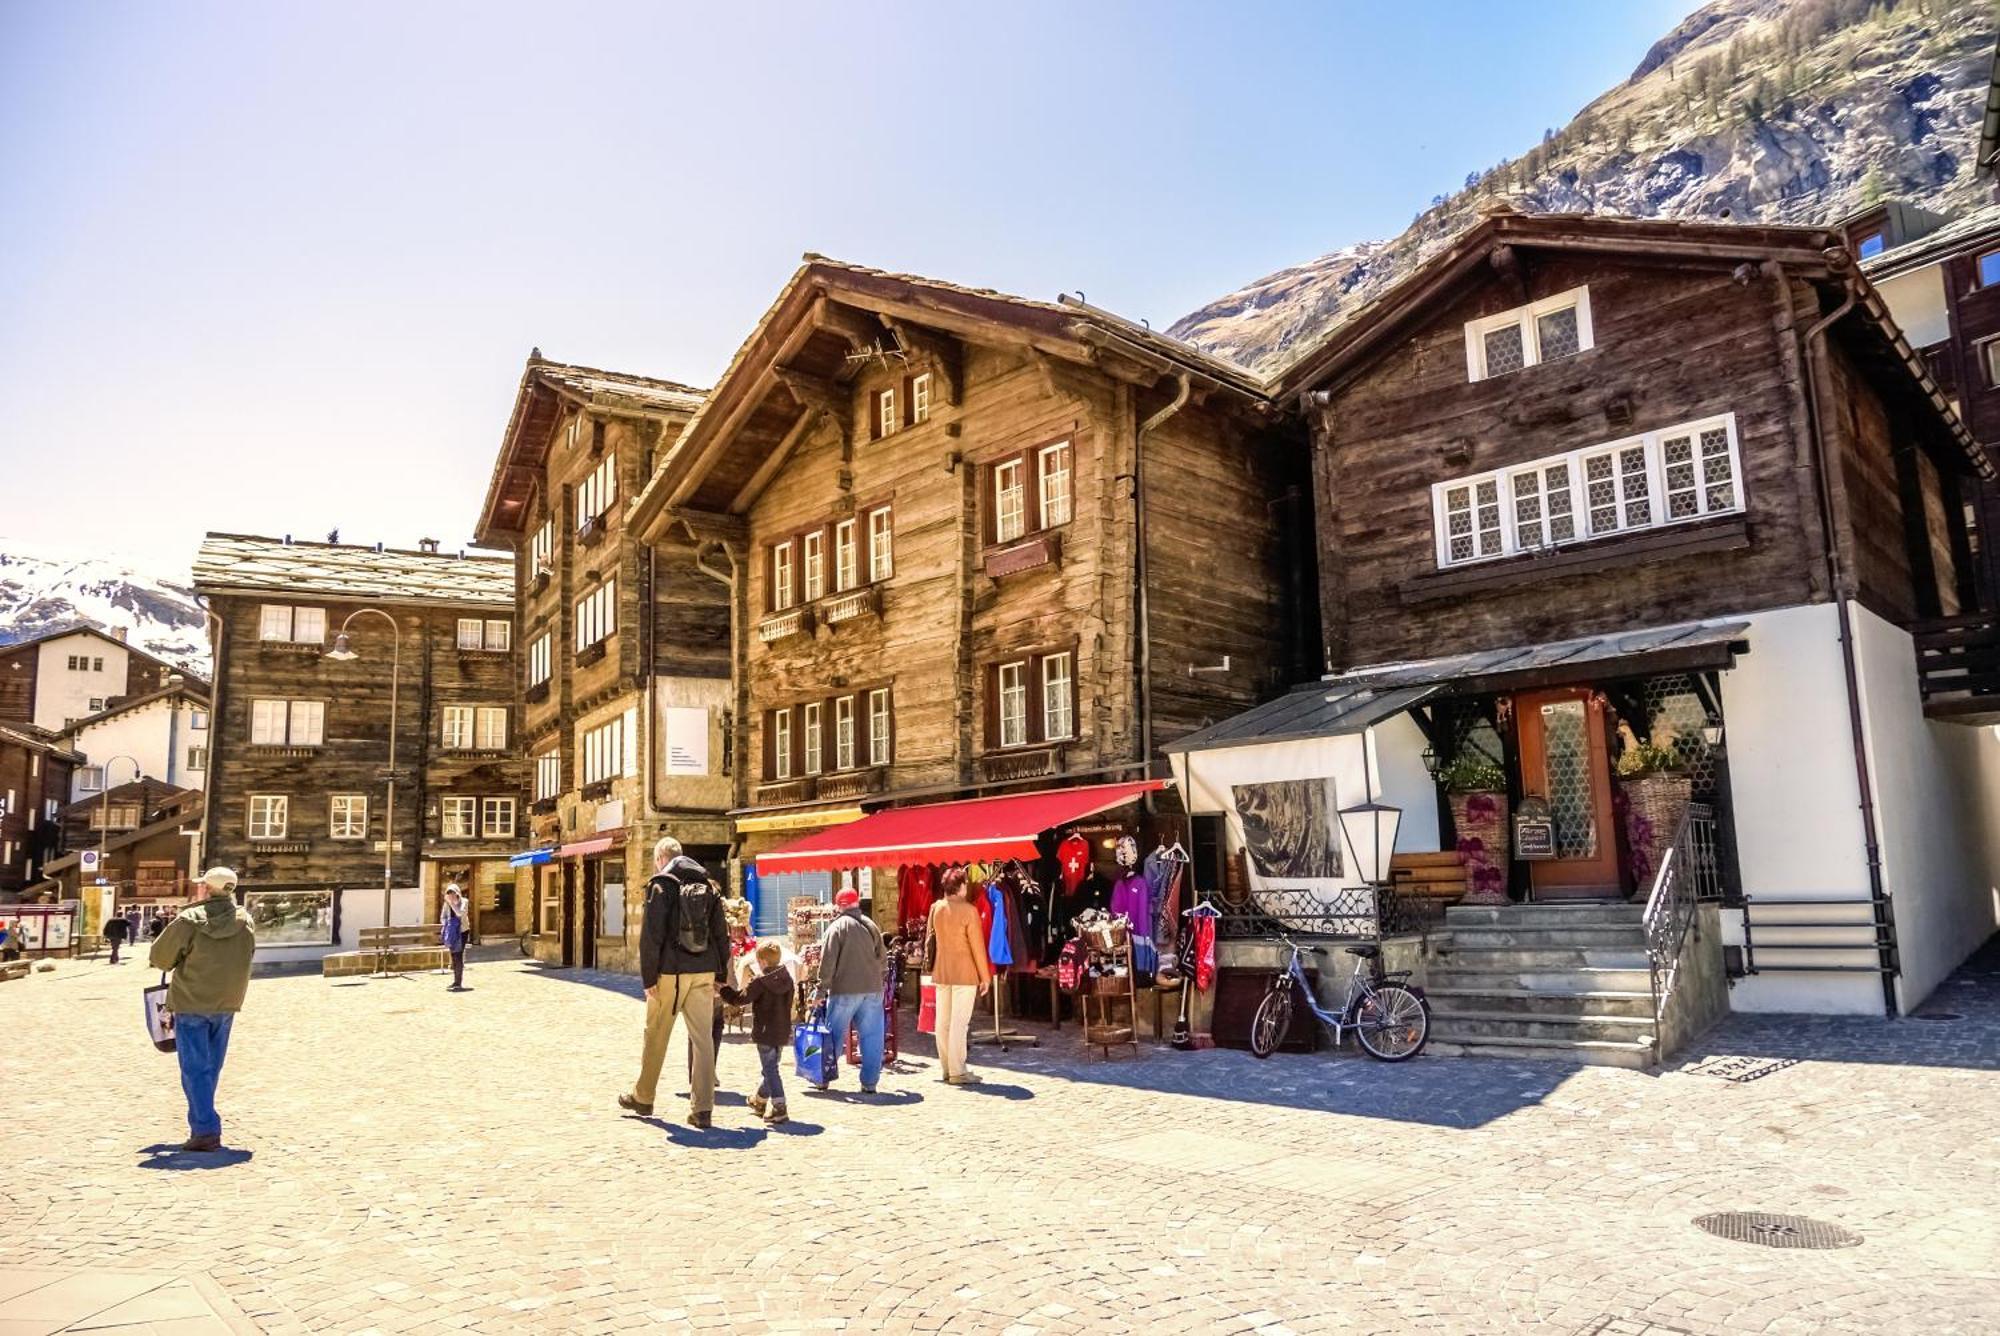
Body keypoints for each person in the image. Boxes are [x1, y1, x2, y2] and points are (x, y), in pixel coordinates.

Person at [619, 837, 728, 1129]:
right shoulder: (708, 886)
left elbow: (651, 937)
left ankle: (643, 1097)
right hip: (704, 972)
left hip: (670, 973)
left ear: (660, 859)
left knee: (656, 1035)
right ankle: (702, 1109)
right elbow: (721, 934)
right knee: (703, 1039)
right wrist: (721, 976)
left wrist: (648, 977)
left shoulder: (661, 885)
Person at [148, 868, 256, 1152]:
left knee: (195, 1068)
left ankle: (205, 1130)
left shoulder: (189, 920)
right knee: (212, 1066)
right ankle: (204, 1120)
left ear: (207, 889)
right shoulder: (245, 921)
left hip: (192, 1000)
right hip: (228, 1001)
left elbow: (160, 957)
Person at [926, 866, 992, 1085]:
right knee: (959, 1023)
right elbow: (977, 947)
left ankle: (946, 1068)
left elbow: (930, 941)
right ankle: (958, 1071)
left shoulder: (936, 908)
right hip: (965, 973)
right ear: (961, 886)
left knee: (942, 1022)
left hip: (941, 971)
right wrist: (985, 976)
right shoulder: (969, 911)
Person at [818, 886, 887, 1095]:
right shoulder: (871, 925)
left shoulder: (836, 928)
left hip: (844, 990)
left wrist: (821, 990)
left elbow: (827, 962)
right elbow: (882, 960)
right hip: (873, 989)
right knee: (872, 1037)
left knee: (834, 1036)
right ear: (857, 903)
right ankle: (870, 1082)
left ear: (839, 906)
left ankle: (823, 1078)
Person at [720, 939, 797, 1125]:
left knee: (771, 1070)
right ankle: (759, 1101)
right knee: (770, 1069)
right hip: (782, 1030)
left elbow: (740, 999)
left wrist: (724, 990)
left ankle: (780, 1106)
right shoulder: (787, 979)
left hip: (765, 1031)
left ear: (762, 961)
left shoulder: (761, 982)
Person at [439, 884, 472, 991]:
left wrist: (451, 903)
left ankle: (458, 982)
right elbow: (442, 917)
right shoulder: (446, 904)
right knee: (454, 955)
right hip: (452, 932)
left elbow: (459, 914)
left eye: (453, 893)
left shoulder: (464, 901)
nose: (451, 895)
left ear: (457, 893)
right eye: (449, 893)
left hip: (462, 931)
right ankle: (455, 981)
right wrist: (448, 924)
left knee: (458, 955)